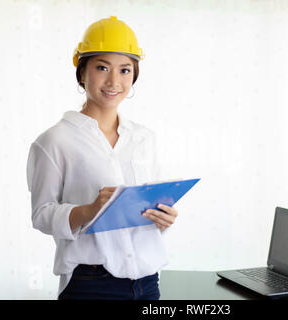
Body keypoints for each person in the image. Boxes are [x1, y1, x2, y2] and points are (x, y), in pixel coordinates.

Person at [26, 16, 178, 300]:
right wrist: (90, 209)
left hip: (147, 281)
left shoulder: (144, 138)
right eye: (102, 67)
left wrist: (163, 217)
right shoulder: (54, 141)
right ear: (81, 71)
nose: (114, 81)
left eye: (124, 70)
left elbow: (150, 204)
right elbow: (41, 214)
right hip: (91, 283)